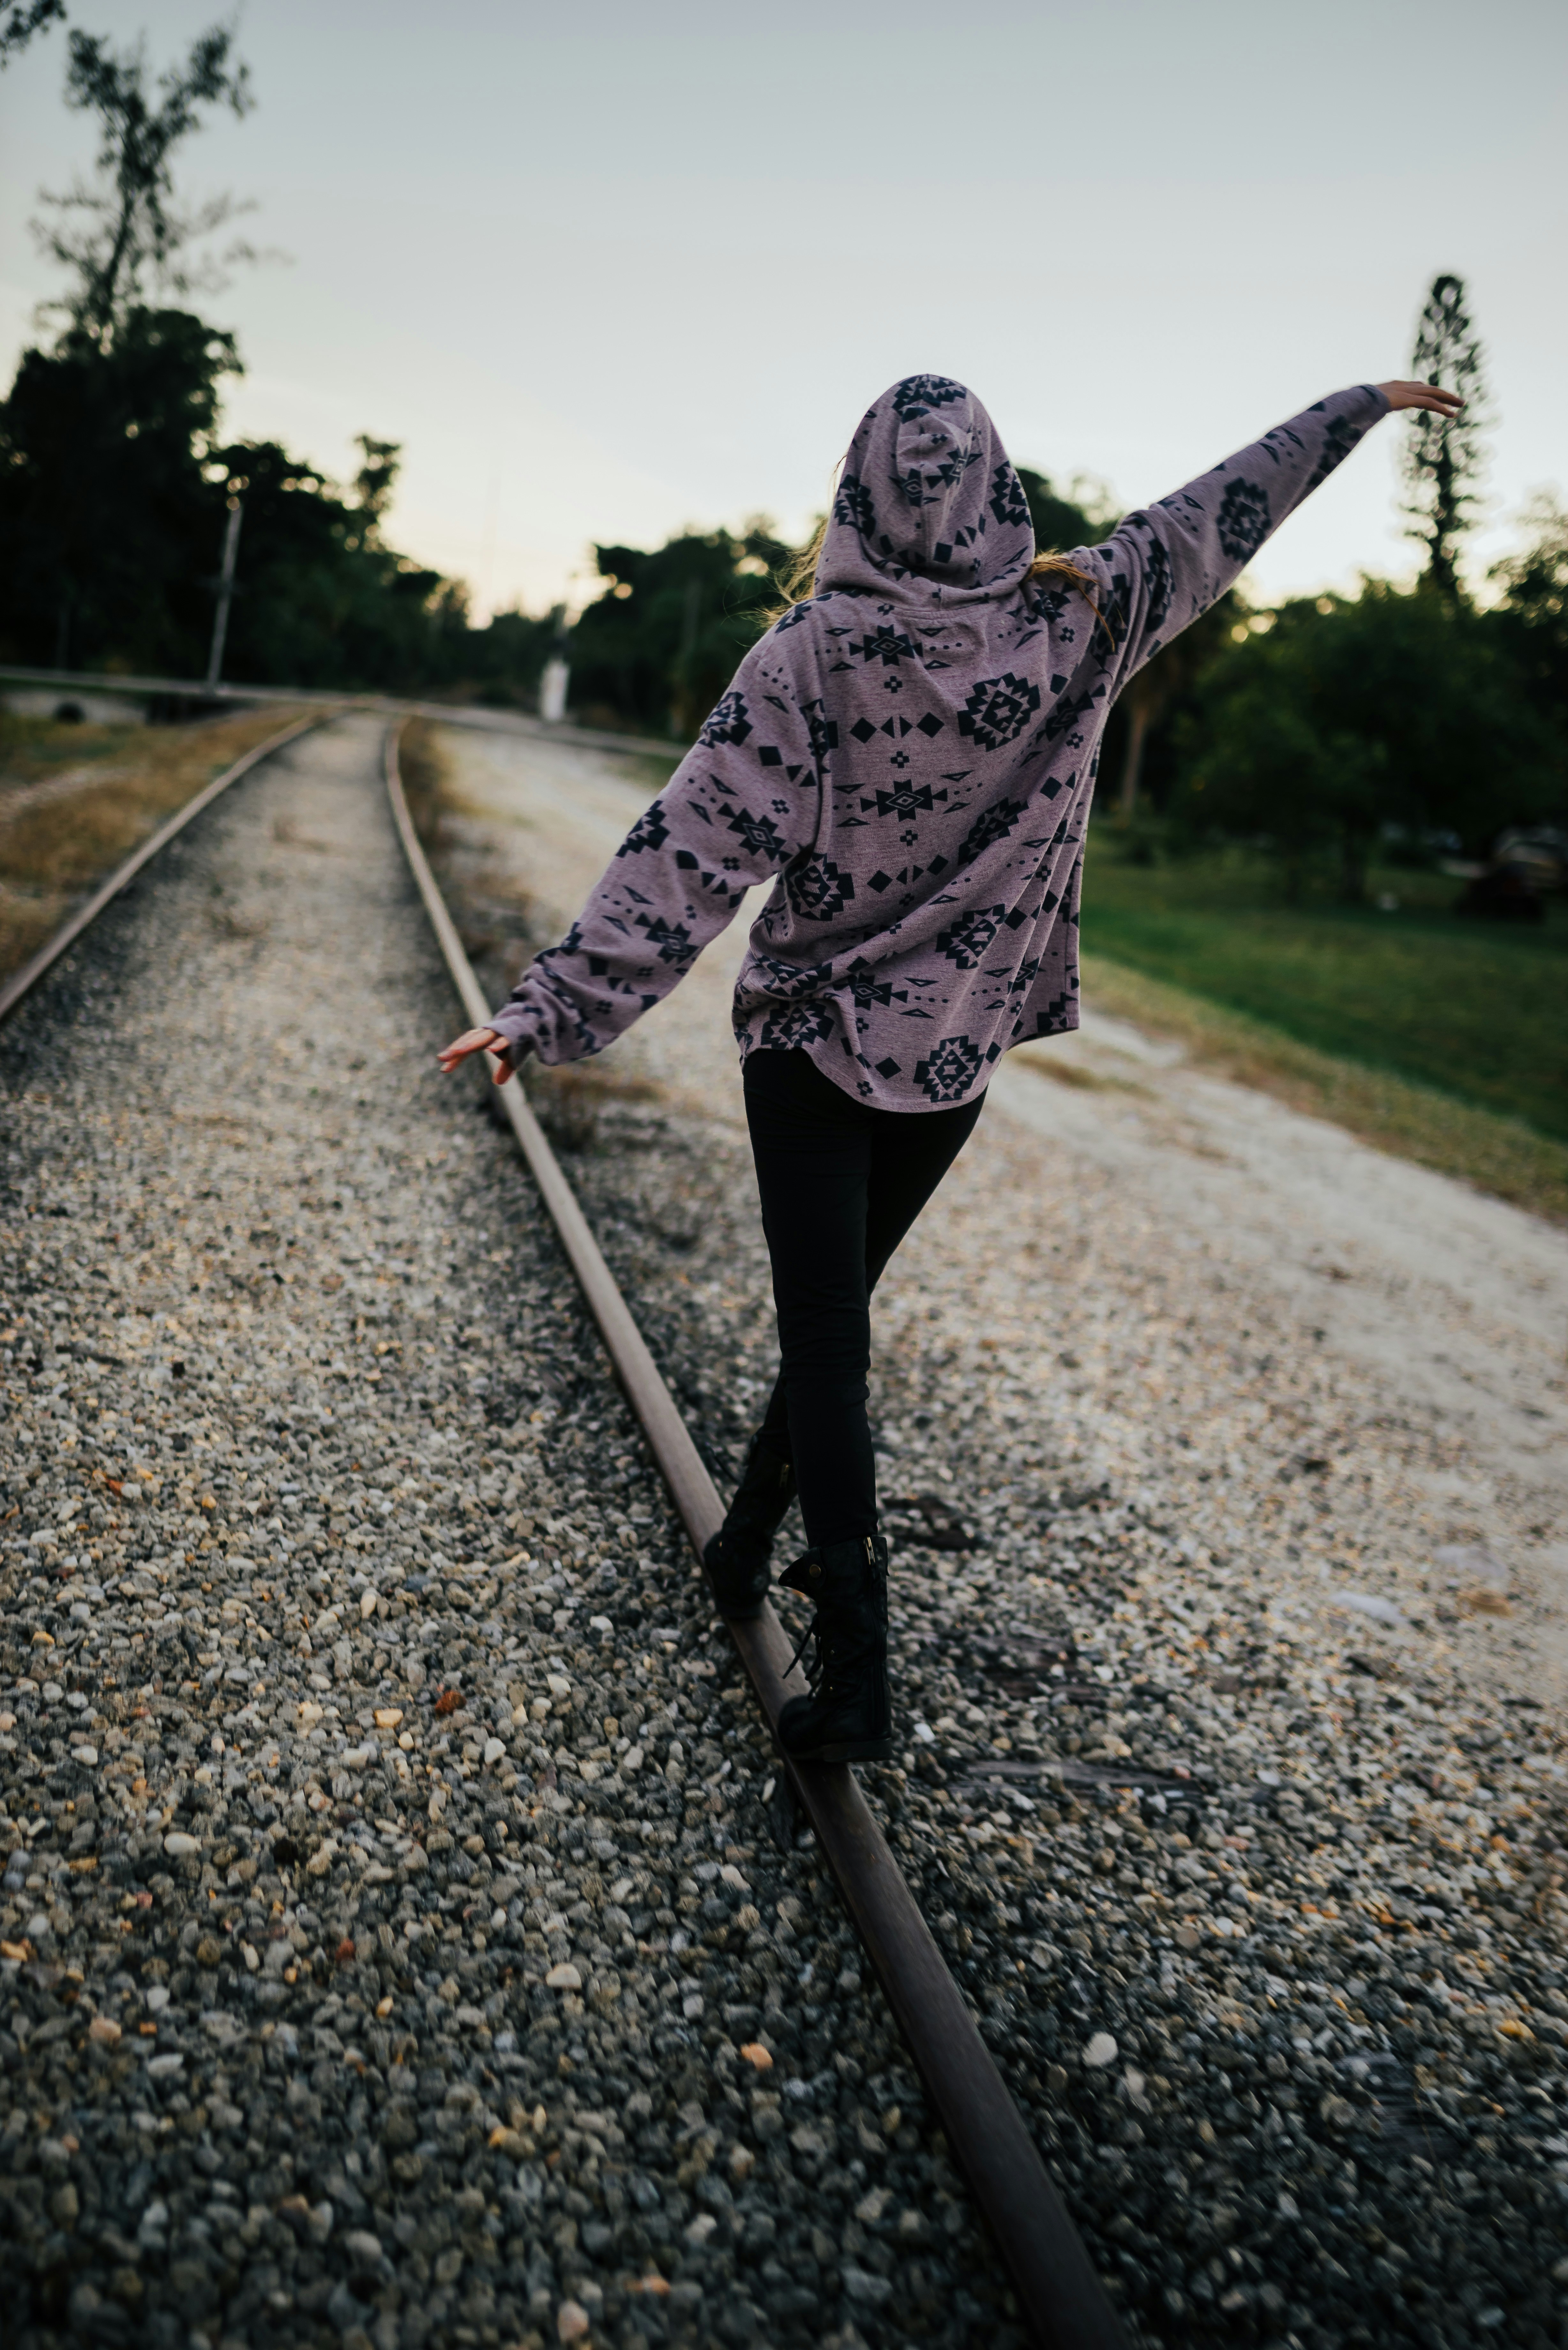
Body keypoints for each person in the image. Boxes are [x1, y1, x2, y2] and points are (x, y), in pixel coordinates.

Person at [440, 370, 1461, 1765]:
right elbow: (1230, 509)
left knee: (827, 1336)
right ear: (997, 483)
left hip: (808, 1049)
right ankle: (746, 1541)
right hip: (951, 1062)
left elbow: (688, 850)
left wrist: (548, 1008)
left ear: (857, 487)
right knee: (831, 1325)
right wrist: (1359, 407)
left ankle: (856, 1673)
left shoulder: (811, 653)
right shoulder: (1085, 616)